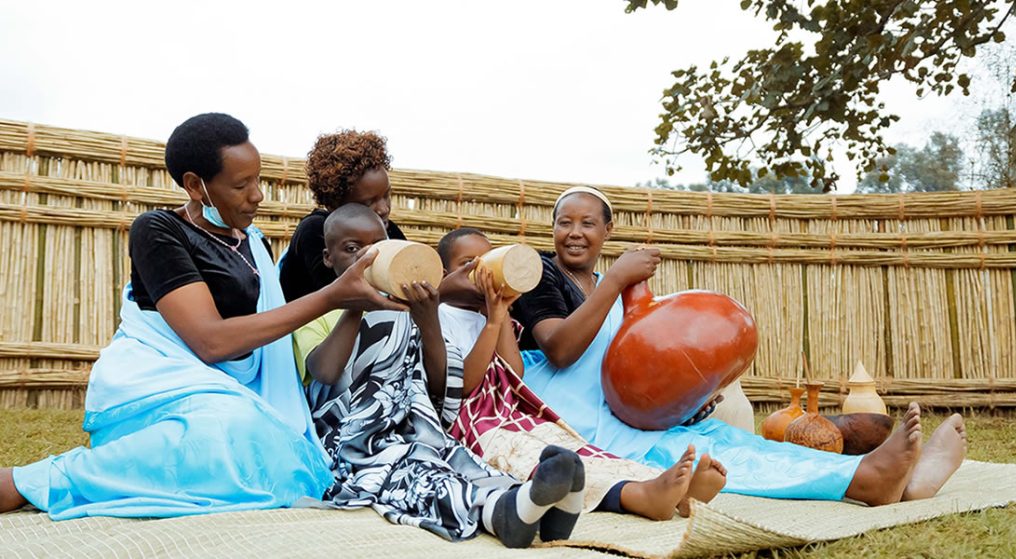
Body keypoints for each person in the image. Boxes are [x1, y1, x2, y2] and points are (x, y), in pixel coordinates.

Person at [0, 113, 406, 519]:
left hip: (231, 399)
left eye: (258, 180)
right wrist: (332, 297)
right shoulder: (159, 231)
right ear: (196, 185)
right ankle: (30, 482)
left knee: (274, 442)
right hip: (155, 389)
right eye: (241, 185)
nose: (258, 195)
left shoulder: (251, 243)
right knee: (229, 429)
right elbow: (211, 342)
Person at [510, 185, 969, 506]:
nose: (574, 232)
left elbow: (634, 370)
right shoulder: (541, 274)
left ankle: (885, 476)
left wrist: (680, 403)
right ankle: (865, 481)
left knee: (721, 436)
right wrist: (616, 279)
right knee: (697, 455)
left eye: (587, 223)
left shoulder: (612, 290)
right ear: (551, 229)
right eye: (564, 222)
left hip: (616, 410)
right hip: (569, 416)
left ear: (607, 231)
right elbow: (560, 349)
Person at [293, 204, 586, 548]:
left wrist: (428, 318)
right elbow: (326, 374)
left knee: (459, 461)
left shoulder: (405, 313)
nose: (367, 260)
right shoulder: (318, 313)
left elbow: (439, 387)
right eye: (353, 250)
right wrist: (357, 305)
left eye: (379, 248)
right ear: (328, 257)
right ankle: (500, 515)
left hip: (418, 428)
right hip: (357, 441)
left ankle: (544, 512)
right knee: (414, 477)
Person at [436, 227, 727, 520]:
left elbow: (515, 373)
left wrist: (496, 316)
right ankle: (637, 496)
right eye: (467, 264)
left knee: (574, 447)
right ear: (444, 273)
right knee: (541, 461)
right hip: (473, 428)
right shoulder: (441, 316)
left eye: (486, 262)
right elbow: (465, 386)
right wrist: (492, 323)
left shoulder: (492, 313)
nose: (479, 272)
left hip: (513, 415)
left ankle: (673, 488)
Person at [279, 129, 405, 302]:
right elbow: (340, 293)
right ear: (334, 203)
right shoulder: (315, 230)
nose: (383, 209)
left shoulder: (390, 231)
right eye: (368, 203)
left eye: (386, 195)